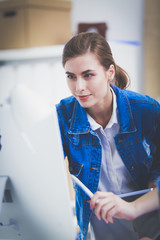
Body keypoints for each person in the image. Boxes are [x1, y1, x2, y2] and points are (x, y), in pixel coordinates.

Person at [56, 32, 160, 240]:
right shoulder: (63, 117)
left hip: (149, 232)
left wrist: (133, 209)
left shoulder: (147, 111)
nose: (79, 88)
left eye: (88, 75)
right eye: (71, 76)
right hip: (97, 234)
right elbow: (42, 174)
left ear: (109, 72)